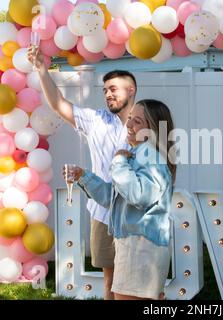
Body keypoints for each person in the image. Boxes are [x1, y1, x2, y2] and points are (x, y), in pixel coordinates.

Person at [27, 47, 137, 300]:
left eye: (114, 89)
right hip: (103, 213)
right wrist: (42, 68)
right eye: (106, 90)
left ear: (130, 91)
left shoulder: (146, 120)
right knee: (110, 276)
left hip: (136, 213)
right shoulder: (96, 119)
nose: (108, 94)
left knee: (135, 278)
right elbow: (58, 104)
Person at [66, 99, 176, 300]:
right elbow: (115, 198)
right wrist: (85, 176)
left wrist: (118, 162)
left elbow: (138, 196)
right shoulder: (138, 155)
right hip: (133, 246)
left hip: (141, 249)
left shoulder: (150, 157)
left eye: (138, 121)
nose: (129, 125)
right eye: (130, 118)